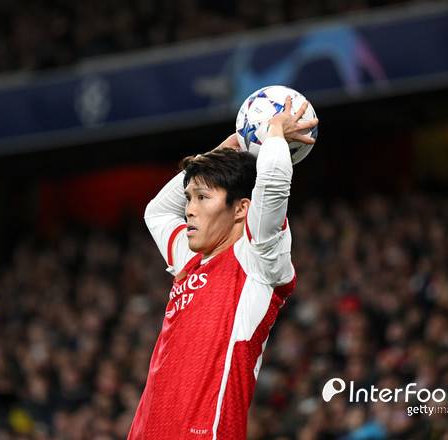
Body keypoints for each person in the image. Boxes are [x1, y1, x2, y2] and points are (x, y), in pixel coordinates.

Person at [128, 96, 318, 439]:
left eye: (202, 198)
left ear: (242, 209)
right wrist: (218, 154)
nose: (189, 209)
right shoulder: (190, 259)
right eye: (189, 198)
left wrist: (274, 134)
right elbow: (157, 211)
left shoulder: (257, 262)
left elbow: (273, 185)